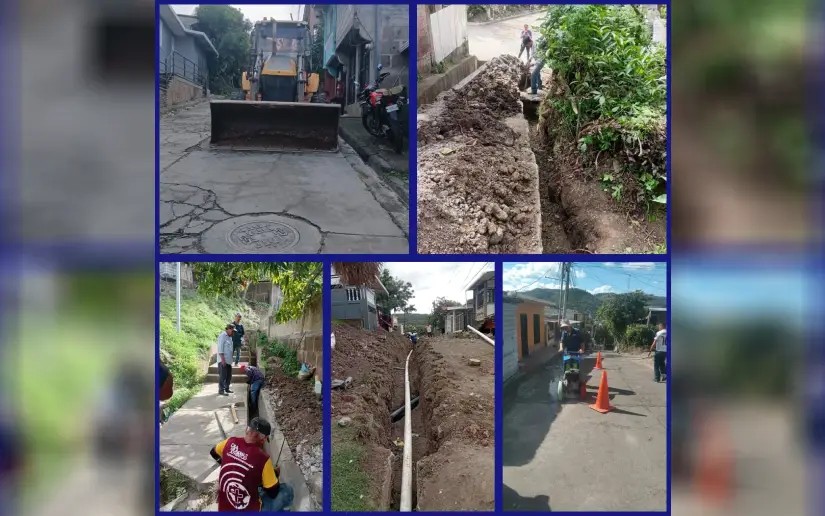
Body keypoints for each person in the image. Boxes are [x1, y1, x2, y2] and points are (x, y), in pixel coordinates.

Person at [210, 417, 294, 512]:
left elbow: (213, 452)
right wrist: (274, 475)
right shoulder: (263, 459)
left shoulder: (229, 442)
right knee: (287, 490)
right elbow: (273, 493)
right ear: (264, 439)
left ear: (247, 430)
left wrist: (229, 464)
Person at [218, 324, 235, 396]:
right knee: (223, 376)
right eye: (232, 331)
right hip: (223, 360)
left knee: (228, 376)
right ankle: (221, 390)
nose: (233, 333)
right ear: (229, 329)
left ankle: (227, 388)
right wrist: (223, 360)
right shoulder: (222, 336)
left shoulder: (229, 337)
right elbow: (220, 348)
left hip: (228, 360)